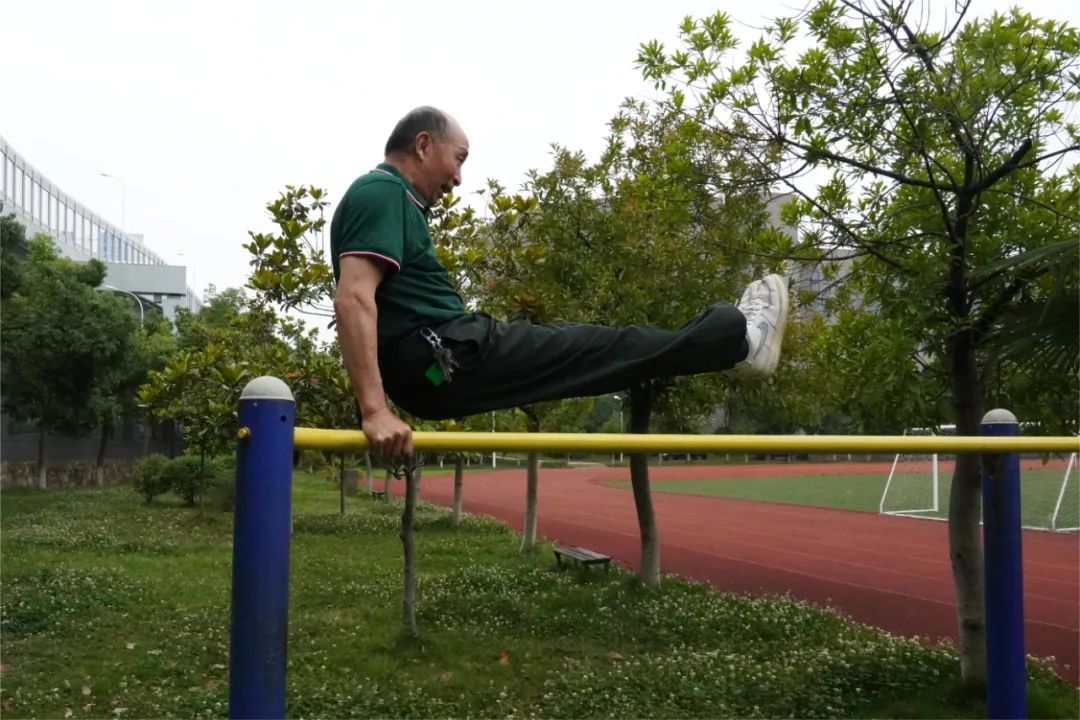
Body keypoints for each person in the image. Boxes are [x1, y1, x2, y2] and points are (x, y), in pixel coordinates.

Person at [331, 106, 789, 459]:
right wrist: (375, 411)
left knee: (593, 356)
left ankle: (730, 342)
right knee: (595, 348)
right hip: (446, 352)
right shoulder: (382, 192)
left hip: (437, 364)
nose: (458, 177)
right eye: (458, 159)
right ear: (423, 145)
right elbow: (352, 298)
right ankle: (738, 339)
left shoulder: (396, 200)